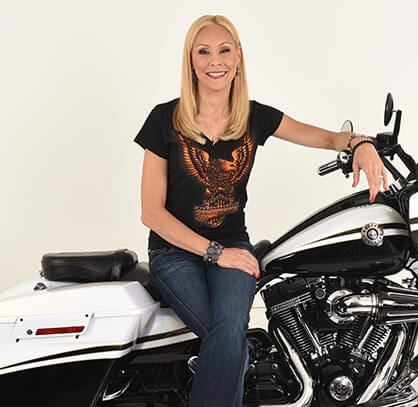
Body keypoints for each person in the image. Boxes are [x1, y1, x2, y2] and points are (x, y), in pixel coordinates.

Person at [134, 14, 388, 407]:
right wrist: (217, 253)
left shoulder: (253, 117)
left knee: (229, 336)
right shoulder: (164, 119)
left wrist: (361, 144)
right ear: (191, 61)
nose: (214, 60)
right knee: (230, 338)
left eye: (224, 49)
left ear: (238, 57)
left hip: (234, 245)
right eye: (203, 52)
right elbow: (151, 212)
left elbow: (325, 136)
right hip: (175, 252)